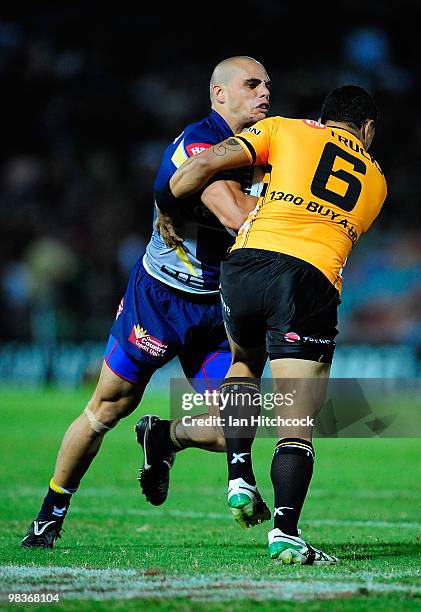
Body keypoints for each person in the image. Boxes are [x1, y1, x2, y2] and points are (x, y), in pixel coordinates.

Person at [21, 56, 272, 549]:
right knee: (107, 408)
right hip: (159, 298)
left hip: (216, 306)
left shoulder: (270, 146)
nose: (264, 93)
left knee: (236, 427)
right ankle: (48, 516)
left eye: (267, 85)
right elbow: (238, 216)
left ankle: (165, 438)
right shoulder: (201, 144)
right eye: (251, 85)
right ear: (219, 95)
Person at [166, 85, 387, 564]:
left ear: (324, 116)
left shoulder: (283, 129)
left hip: (244, 264)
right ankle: (285, 530)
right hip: (308, 277)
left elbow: (203, 166)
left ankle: (239, 475)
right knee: (296, 421)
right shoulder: (377, 181)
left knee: (243, 362)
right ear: (367, 130)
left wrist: (168, 202)